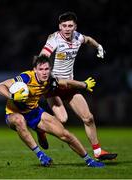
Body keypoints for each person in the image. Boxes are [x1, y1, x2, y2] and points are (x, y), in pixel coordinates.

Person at [0, 55, 104, 167]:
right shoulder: (26, 78)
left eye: (46, 69)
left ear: (50, 69)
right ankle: (41, 155)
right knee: (19, 120)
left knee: (66, 135)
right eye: (41, 69)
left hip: (34, 113)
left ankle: (89, 161)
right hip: (13, 114)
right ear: (35, 70)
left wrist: (84, 84)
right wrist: (11, 96)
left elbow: (66, 82)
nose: (44, 72)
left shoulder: (50, 81)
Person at [39, 11, 117, 161]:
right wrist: (45, 74)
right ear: (59, 27)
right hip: (54, 86)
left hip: (69, 85)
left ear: (75, 26)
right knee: (62, 120)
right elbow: (42, 57)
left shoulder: (77, 37)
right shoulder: (54, 40)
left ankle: (98, 152)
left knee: (88, 118)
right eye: (64, 26)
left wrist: (98, 46)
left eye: (70, 26)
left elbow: (87, 40)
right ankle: (41, 128)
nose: (67, 29)